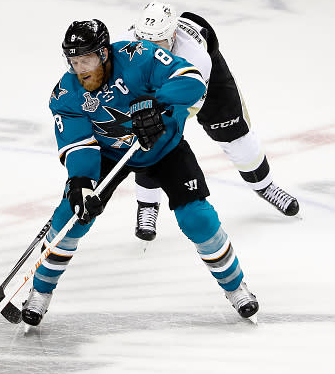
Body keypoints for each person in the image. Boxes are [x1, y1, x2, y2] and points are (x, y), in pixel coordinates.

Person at [20, 18, 259, 326]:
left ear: (104, 53)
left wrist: (157, 104)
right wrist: (80, 182)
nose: (81, 68)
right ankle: (40, 292)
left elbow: (191, 79)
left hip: (165, 148)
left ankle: (236, 288)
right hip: (107, 154)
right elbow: (79, 144)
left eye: (87, 59)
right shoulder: (66, 94)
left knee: (197, 218)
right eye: (74, 61)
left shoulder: (139, 55)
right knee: (72, 215)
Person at [121, 1, 300, 241]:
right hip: (158, 84)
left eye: (158, 44)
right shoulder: (123, 47)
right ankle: (147, 205)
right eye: (144, 43)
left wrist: (160, 119)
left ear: (173, 36)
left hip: (201, 82)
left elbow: (191, 105)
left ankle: (265, 185)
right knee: (146, 137)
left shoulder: (196, 58)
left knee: (234, 135)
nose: (151, 51)